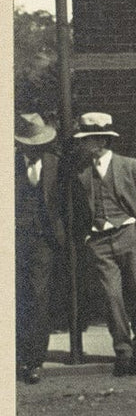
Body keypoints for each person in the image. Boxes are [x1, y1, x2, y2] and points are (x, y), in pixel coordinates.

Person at [71, 112, 136, 377]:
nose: (82, 145)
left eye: (86, 140)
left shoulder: (129, 166)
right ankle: (123, 351)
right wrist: (86, 236)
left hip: (128, 237)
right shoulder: (81, 172)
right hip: (99, 242)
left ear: (100, 141)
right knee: (111, 298)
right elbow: (77, 209)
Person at [14, 113, 67, 384]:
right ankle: (17, 356)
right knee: (16, 297)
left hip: (44, 241)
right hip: (14, 241)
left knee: (38, 295)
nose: (35, 149)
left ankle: (34, 360)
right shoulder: (9, 164)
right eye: (30, 145)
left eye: (38, 145)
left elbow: (69, 201)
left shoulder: (55, 163)